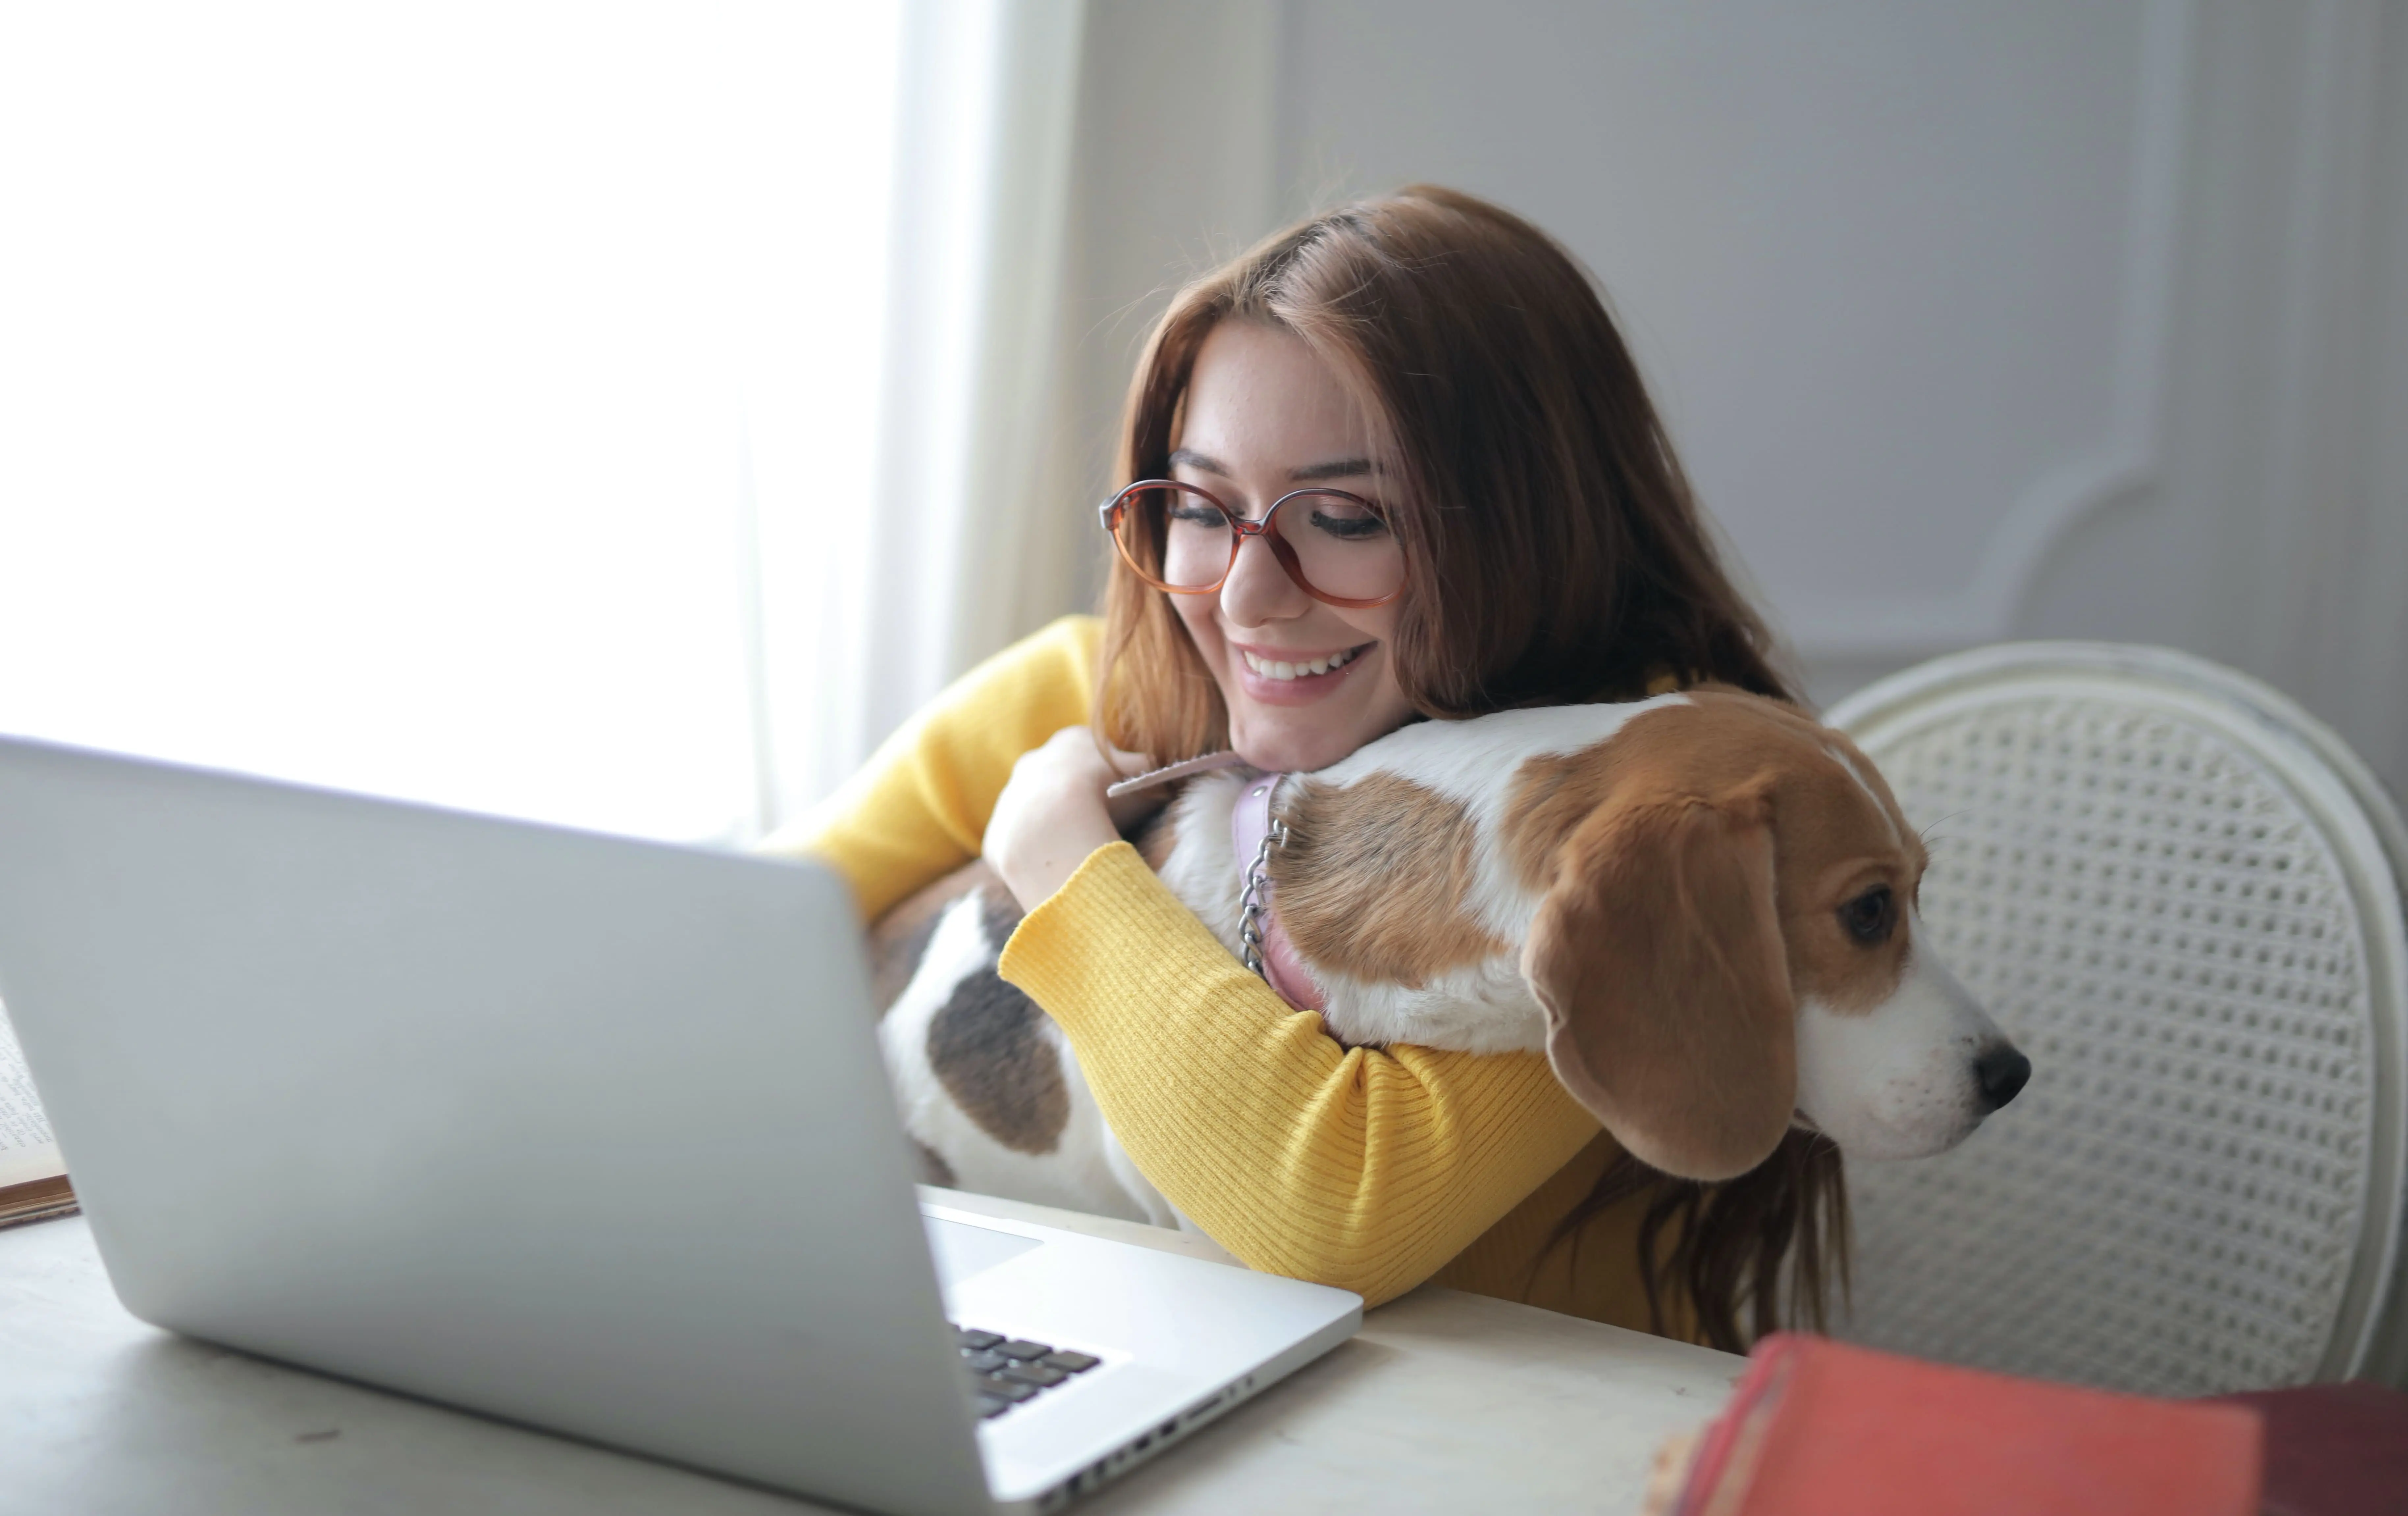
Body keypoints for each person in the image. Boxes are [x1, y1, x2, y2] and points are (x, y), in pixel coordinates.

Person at [768, 185, 1836, 1350]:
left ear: (1532, 531)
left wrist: (1065, 871)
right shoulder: (1080, 695)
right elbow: (716, 947)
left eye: (1344, 516)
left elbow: (1335, 1221)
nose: (1244, 596)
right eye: (1204, 504)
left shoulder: (1621, 824)